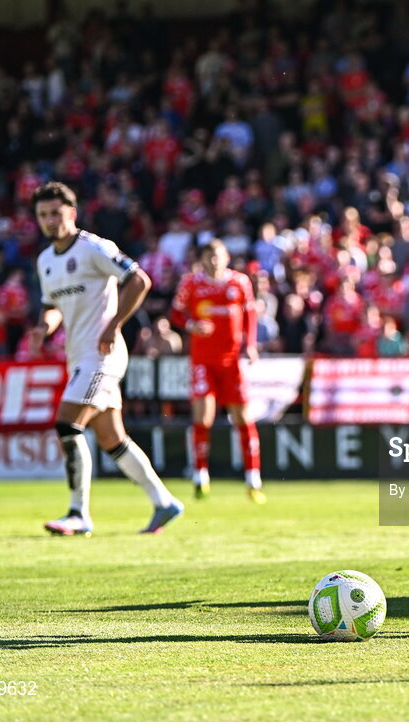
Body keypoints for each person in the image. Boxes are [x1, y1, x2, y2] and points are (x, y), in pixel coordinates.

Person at [29, 181, 184, 536]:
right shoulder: (45, 261)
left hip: (102, 356)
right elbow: (51, 305)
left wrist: (114, 325)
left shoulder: (93, 247)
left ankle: (78, 513)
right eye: (43, 215)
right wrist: (44, 328)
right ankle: (164, 503)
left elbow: (139, 281)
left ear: (71, 213)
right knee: (112, 438)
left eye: (55, 213)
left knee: (67, 424)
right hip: (78, 355)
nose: (50, 220)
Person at [170, 239, 264, 502]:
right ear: (202, 259)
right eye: (209, 256)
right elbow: (176, 314)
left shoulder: (240, 283)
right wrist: (191, 325)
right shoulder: (191, 283)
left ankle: (253, 479)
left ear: (226, 258)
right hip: (202, 360)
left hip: (232, 360)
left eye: (218, 256)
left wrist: (251, 345)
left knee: (243, 418)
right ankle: (200, 475)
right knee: (204, 417)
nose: (214, 260)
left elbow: (250, 315)